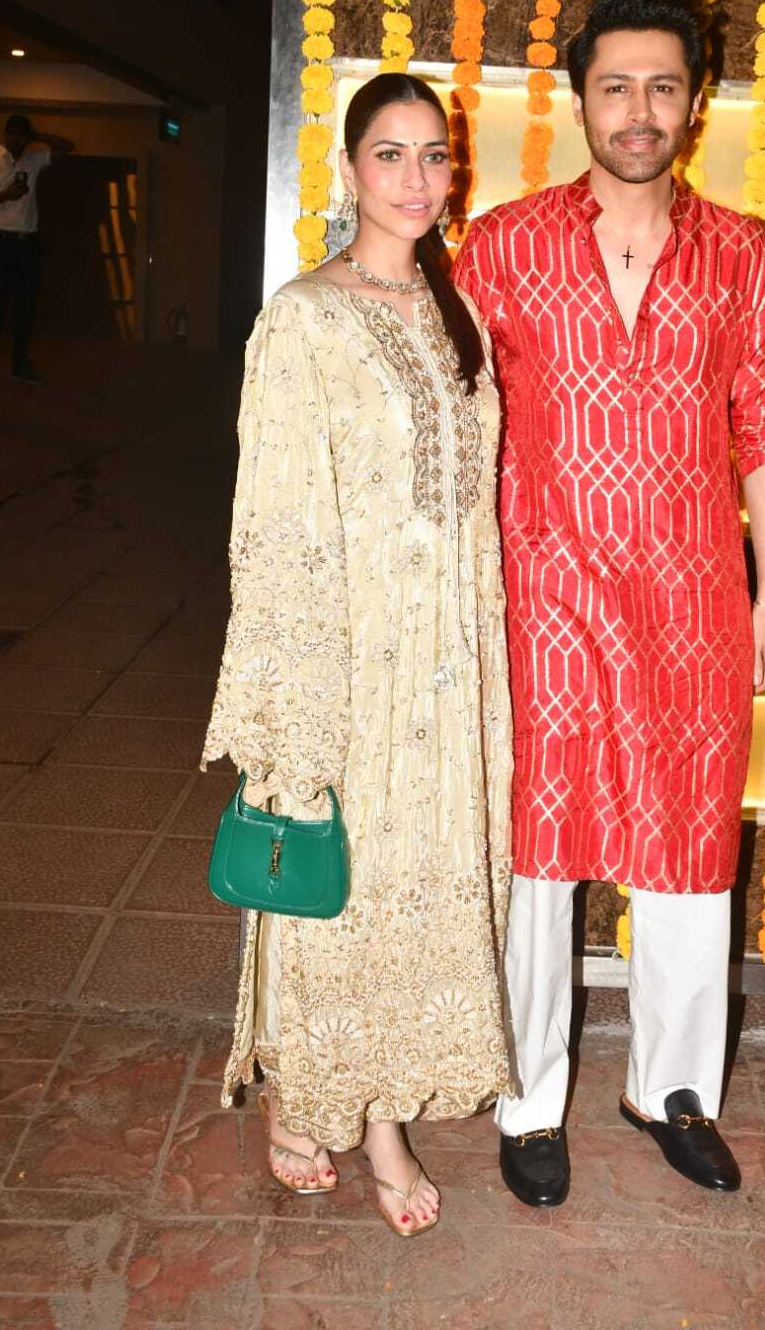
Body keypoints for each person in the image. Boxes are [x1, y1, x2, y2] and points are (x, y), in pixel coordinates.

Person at [455, 0, 765, 1207]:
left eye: (661, 86)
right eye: (616, 86)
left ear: (694, 102)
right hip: (540, 585)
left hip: (694, 592)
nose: (638, 110)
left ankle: (671, 1091)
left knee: (688, 846)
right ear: (579, 101)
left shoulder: (745, 255)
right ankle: (528, 1100)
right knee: (538, 857)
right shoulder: (501, 245)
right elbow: (463, 419)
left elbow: (762, 425)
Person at [202, 72, 512, 1238]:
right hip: (350, 660)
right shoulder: (305, 319)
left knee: (408, 902)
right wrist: (294, 699)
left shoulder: (452, 310)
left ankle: (374, 1115)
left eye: (434, 156)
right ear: (346, 169)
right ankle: (315, 1104)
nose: (416, 179)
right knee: (334, 890)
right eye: (390, 154)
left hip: (447, 666)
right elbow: (275, 522)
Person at [0, 113, 73, 384]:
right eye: (17, 135)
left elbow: (66, 148)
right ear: (7, 134)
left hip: (27, 244)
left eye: (26, 137)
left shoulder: (33, 159)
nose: (21, 142)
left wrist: (38, 137)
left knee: (25, 306)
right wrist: (7, 195)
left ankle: (20, 366)